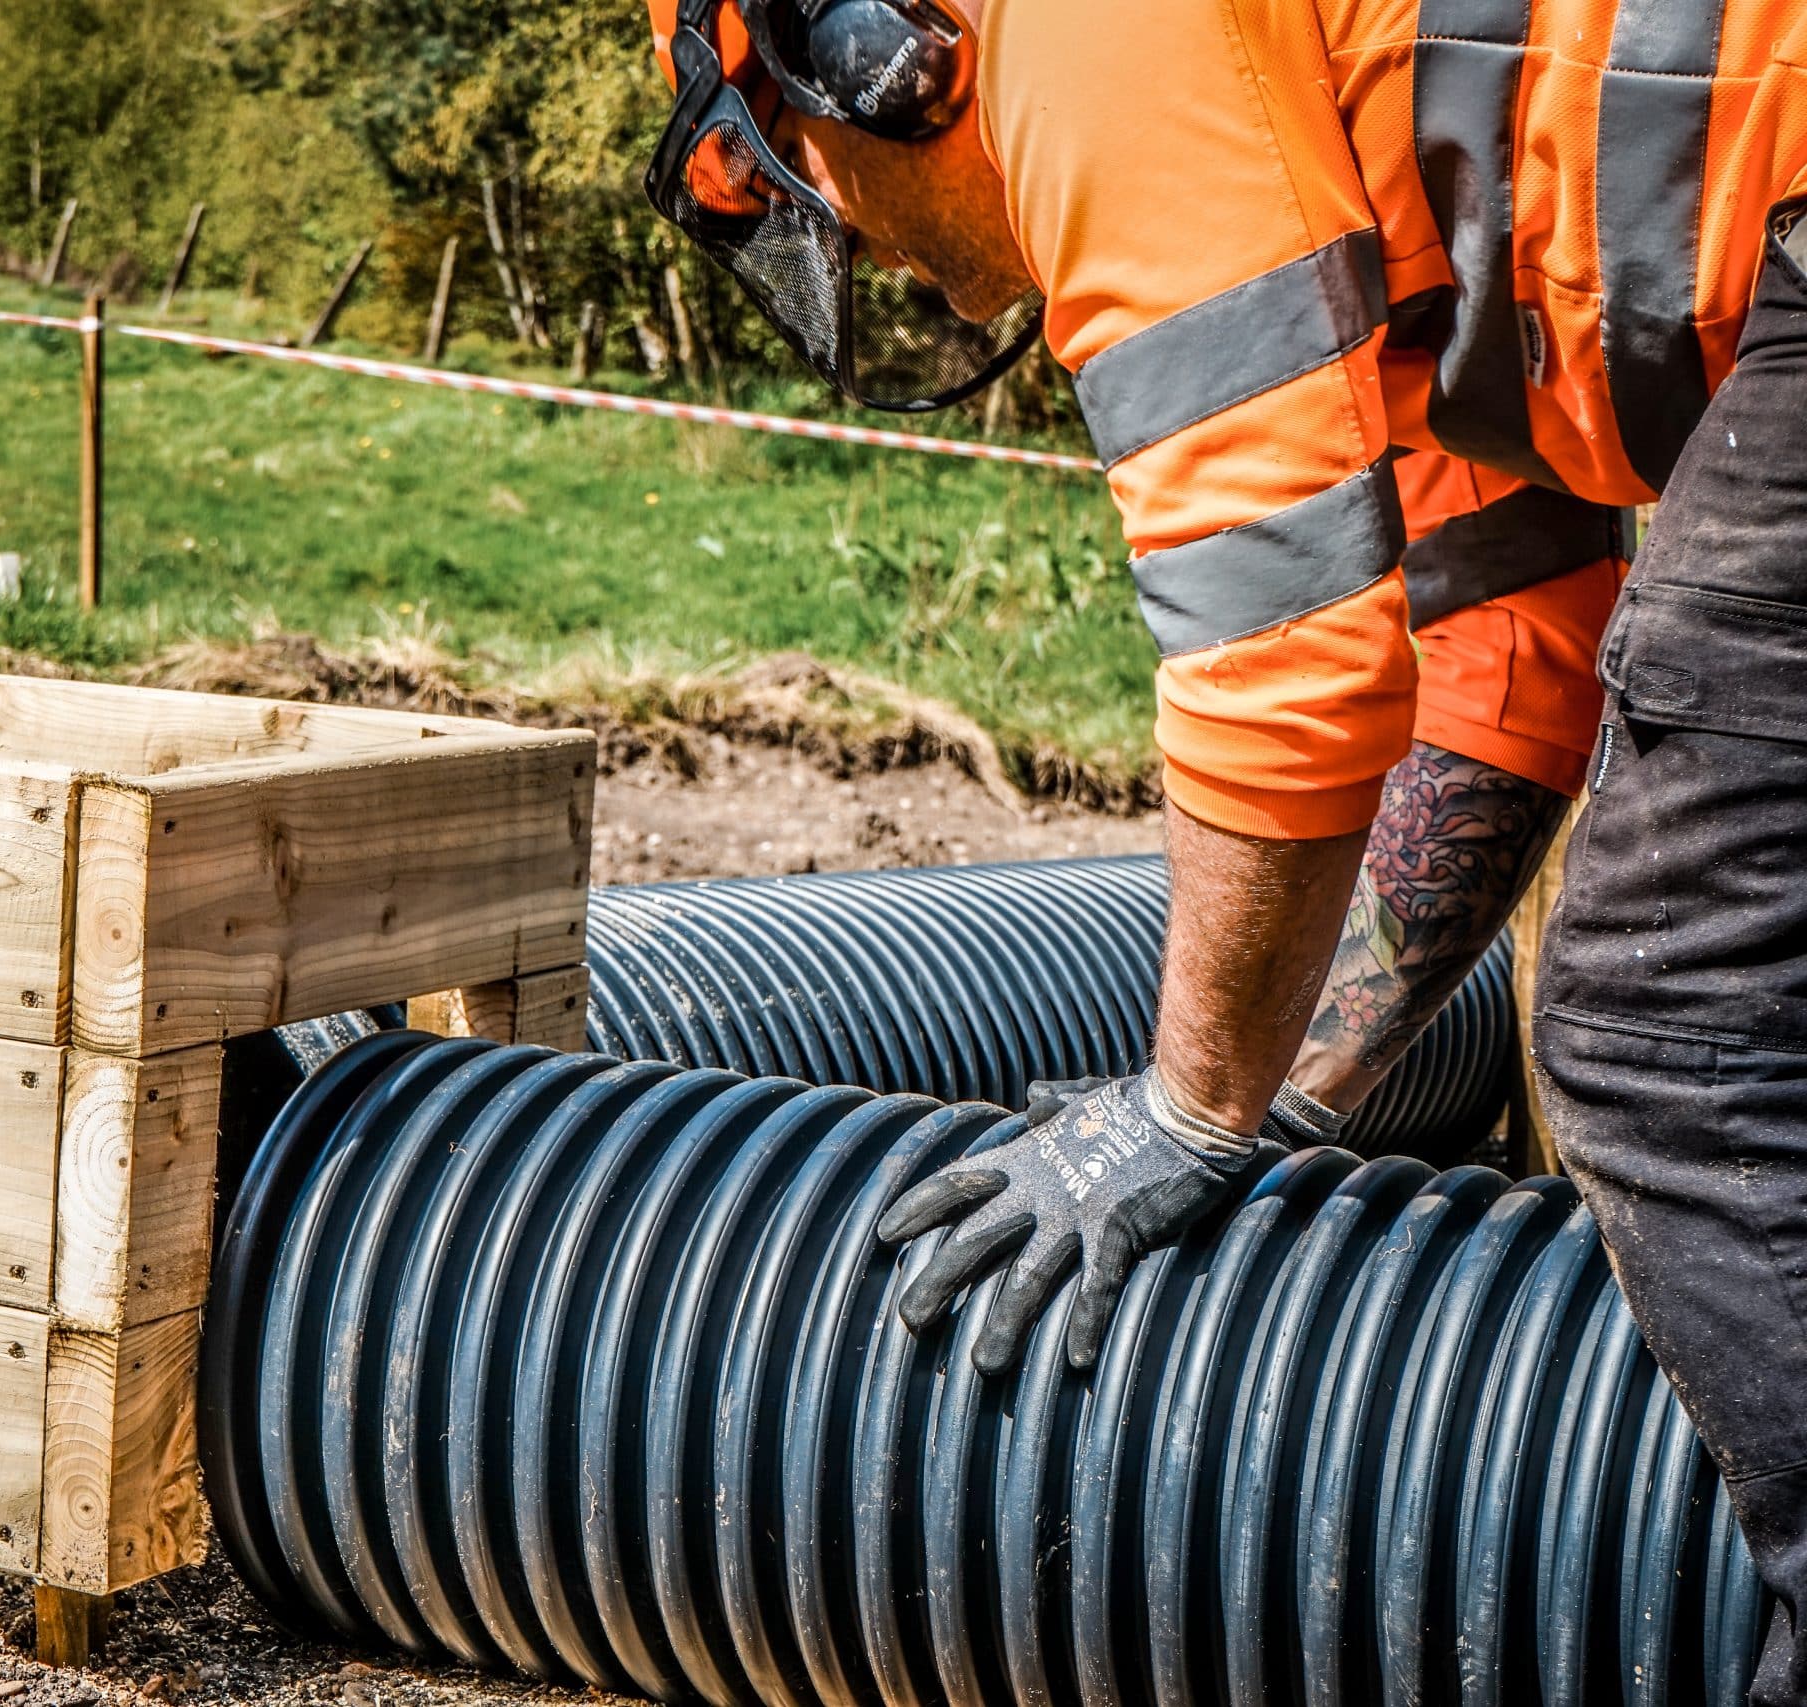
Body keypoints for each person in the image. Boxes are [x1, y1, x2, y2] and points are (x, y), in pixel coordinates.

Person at [639, 0, 1807, 1698]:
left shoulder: (1094, 48)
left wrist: (1185, 1109)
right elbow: (1510, 652)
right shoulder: (1364, 173)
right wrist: (1301, 1099)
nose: (866, 250)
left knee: (1665, 1025)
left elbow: (1287, 654)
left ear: (860, 53)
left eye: (808, 182)